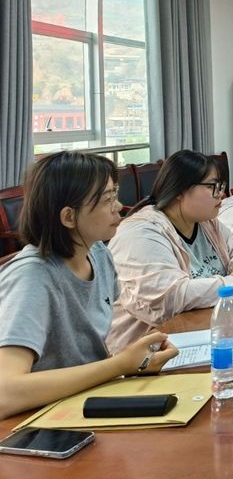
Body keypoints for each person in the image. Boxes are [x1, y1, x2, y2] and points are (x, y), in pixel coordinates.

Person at [0, 151, 178, 420]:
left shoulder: (98, 253)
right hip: (41, 420)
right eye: (107, 200)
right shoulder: (31, 278)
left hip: (88, 400)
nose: (119, 206)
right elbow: (6, 393)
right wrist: (120, 365)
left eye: (115, 194)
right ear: (69, 217)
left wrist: (132, 361)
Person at [107, 150, 233, 352]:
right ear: (180, 190)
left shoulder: (206, 222)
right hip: (145, 353)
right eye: (213, 186)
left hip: (199, 335)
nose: (221, 194)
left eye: (221, 186)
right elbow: (171, 297)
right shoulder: (141, 233)